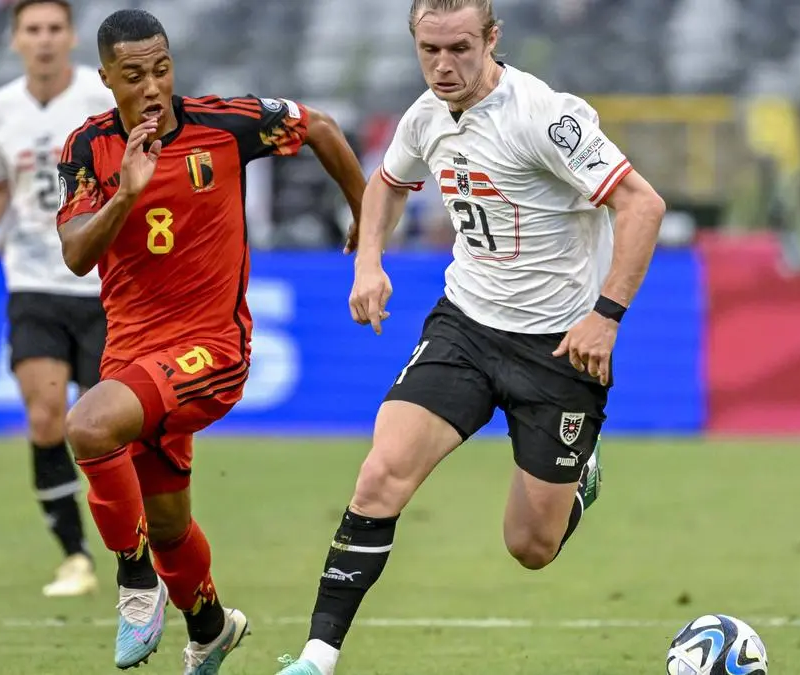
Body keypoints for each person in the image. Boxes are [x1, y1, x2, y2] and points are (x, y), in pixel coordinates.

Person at [274, 1, 667, 673]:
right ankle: (317, 656)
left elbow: (642, 204)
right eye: (429, 49)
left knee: (531, 545)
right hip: (466, 328)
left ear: (492, 38)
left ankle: (579, 478)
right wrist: (369, 261)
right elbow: (388, 186)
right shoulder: (424, 115)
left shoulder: (546, 115)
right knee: (379, 476)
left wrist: (605, 316)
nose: (443, 65)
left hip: (558, 350)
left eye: (459, 48)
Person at [54, 8, 367, 673]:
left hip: (212, 350)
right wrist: (124, 196)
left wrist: (365, 215)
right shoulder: (88, 149)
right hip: (132, 358)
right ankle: (209, 624)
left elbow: (322, 127)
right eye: (134, 75)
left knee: (85, 426)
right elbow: (77, 254)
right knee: (168, 524)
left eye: (162, 69)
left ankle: (134, 580)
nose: (152, 87)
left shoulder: (225, 125)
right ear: (107, 78)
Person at [0, 0, 114, 599]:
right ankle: (75, 556)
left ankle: (138, 548)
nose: (45, 40)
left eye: (55, 29)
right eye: (33, 30)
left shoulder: (100, 100)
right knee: (47, 417)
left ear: (72, 37)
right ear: (15, 39)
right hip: (33, 284)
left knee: (110, 429)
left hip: (104, 287)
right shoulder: (0, 109)